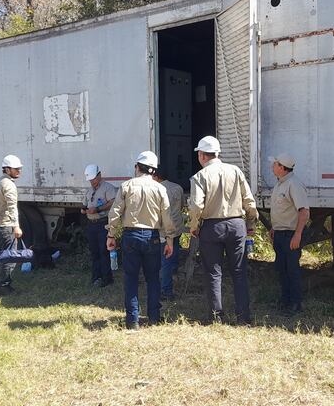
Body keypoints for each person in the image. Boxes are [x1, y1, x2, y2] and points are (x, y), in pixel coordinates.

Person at [189, 136, 258, 325]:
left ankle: (216, 317)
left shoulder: (199, 177)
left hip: (212, 227)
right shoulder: (235, 171)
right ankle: (243, 317)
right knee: (239, 271)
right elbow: (249, 200)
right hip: (236, 225)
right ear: (217, 153)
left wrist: (194, 227)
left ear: (202, 155)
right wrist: (250, 223)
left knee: (213, 272)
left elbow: (196, 206)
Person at [106, 151, 176, 330]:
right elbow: (166, 216)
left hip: (131, 236)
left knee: (131, 279)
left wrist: (111, 235)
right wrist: (169, 239)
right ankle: (154, 317)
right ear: (154, 171)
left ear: (137, 167)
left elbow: (114, 212)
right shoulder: (160, 188)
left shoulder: (127, 186)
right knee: (153, 279)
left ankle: (132, 321)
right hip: (152, 238)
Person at [269, 154, 310, 313]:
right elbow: (282, 209)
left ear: (282, 167)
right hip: (280, 233)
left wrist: (298, 235)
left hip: (291, 234)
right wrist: (275, 227)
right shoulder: (280, 184)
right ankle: (285, 300)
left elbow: (304, 212)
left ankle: (296, 303)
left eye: (275, 163)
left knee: (292, 269)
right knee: (281, 268)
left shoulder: (294, 184)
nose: (273, 165)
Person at [0, 154, 24, 295]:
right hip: (5, 225)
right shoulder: (9, 185)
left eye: (19, 168)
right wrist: (16, 226)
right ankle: (5, 287)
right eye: (16, 169)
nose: (19, 171)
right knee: (10, 256)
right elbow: (12, 207)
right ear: (7, 169)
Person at [81, 164, 117, 287]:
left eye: (94, 179)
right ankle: (96, 277)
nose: (92, 182)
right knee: (94, 252)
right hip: (91, 224)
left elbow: (112, 202)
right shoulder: (90, 190)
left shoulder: (108, 188)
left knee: (103, 251)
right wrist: (84, 209)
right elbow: (84, 204)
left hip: (102, 223)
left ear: (99, 175)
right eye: (90, 180)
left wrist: (98, 209)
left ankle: (107, 278)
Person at [152, 169, 185, 300]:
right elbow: (182, 205)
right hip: (177, 226)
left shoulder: (156, 189)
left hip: (164, 230)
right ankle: (174, 273)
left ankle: (166, 290)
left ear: (156, 176)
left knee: (165, 259)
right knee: (174, 252)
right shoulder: (178, 187)